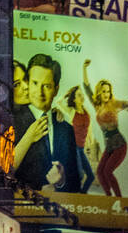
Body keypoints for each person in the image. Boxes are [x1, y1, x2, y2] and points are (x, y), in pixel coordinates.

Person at [13, 54, 81, 194]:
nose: (40, 92)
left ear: (56, 89)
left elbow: (75, 185)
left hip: (59, 212)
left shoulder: (66, 130)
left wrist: (61, 182)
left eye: (47, 86)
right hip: (19, 209)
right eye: (35, 83)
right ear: (28, 83)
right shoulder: (12, 119)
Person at [81, 58, 128, 198]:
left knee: (108, 172)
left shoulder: (114, 104)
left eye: (108, 92)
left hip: (119, 145)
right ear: (99, 92)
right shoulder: (97, 105)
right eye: (104, 91)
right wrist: (84, 68)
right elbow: (86, 87)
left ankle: (119, 199)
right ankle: (109, 197)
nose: (106, 94)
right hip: (109, 146)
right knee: (99, 172)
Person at [64, 85, 96, 193]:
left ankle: (82, 195)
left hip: (81, 148)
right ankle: (74, 194)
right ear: (74, 99)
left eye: (82, 95)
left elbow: (89, 128)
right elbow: (59, 102)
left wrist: (91, 142)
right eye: (79, 95)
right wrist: (66, 95)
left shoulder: (86, 111)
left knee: (90, 176)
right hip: (73, 148)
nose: (82, 97)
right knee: (80, 175)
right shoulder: (72, 111)